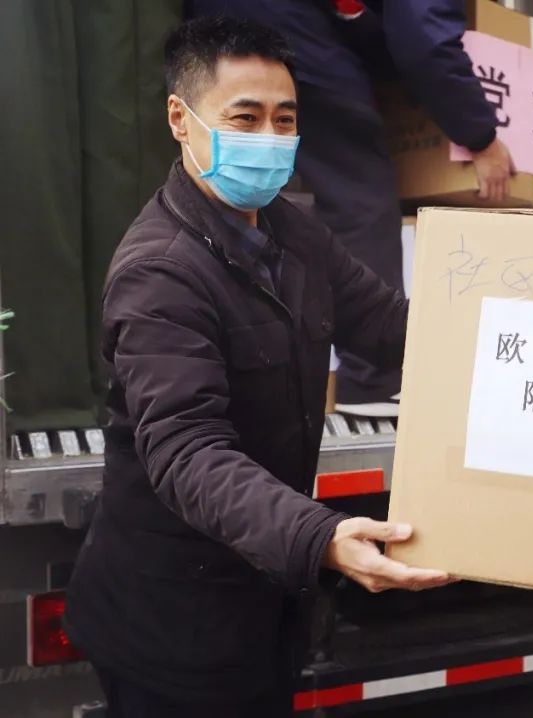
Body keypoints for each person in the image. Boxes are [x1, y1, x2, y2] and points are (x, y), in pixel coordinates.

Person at [63, 17, 451, 717]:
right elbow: (187, 451)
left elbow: (391, 327)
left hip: (262, 605)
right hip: (171, 627)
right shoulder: (160, 272)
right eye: (245, 118)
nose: (269, 138)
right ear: (180, 120)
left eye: (285, 119)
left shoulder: (292, 231)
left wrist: (521, 347)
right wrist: (319, 535)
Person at [192, 0, 514, 409]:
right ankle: (373, 381)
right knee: (360, 202)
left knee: (243, 202)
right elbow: (425, 43)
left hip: (215, 50)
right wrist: (481, 136)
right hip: (293, 46)